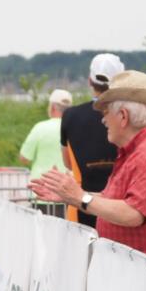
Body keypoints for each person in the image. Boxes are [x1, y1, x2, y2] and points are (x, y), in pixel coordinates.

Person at [30, 71, 146, 267]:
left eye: (105, 114)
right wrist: (70, 196)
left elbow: (133, 212)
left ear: (123, 116)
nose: (103, 121)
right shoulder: (137, 149)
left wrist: (81, 197)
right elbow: (118, 201)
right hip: (140, 272)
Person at [60, 53, 125, 227]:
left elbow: (67, 163)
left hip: (81, 201)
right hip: (121, 206)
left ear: (90, 81)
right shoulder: (128, 115)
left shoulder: (71, 115)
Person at [19, 89, 72, 212]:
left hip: (41, 191)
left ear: (53, 107)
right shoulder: (74, 128)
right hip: (68, 192)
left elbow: (24, 158)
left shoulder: (40, 127)